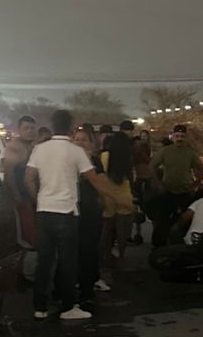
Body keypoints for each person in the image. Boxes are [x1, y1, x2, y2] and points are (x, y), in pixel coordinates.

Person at [24, 109, 105, 321]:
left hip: (44, 211)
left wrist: (37, 199)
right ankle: (68, 306)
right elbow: (95, 180)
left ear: (52, 125)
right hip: (66, 212)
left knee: (44, 261)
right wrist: (114, 198)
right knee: (68, 261)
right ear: (70, 127)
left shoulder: (40, 149)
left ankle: (39, 307)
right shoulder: (75, 151)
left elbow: (28, 178)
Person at [149, 123, 203, 250]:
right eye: (177, 136)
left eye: (182, 136)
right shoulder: (165, 151)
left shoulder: (190, 153)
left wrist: (196, 184)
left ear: (186, 138)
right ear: (172, 137)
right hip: (167, 191)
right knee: (162, 220)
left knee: (185, 220)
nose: (179, 139)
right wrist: (158, 184)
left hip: (185, 192)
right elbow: (152, 167)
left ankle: (183, 245)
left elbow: (201, 169)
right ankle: (158, 247)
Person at [73, 122, 109, 300]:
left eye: (84, 139)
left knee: (91, 245)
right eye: (77, 139)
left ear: (91, 142)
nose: (80, 142)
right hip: (73, 207)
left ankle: (93, 277)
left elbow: (102, 182)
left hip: (92, 207)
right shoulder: (69, 160)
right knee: (77, 246)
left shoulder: (95, 160)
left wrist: (104, 201)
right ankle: (78, 279)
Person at [97, 127, 137, 269]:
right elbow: (132, 177)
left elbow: (100, 175)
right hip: (124, 194)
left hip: (108, 193)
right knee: (122, 229)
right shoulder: (128, 157)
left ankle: (105, 255)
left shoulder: (105, 156)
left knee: (107, 228)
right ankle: (121, 255)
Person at [1, 115, 38, 246]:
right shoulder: (14, 147)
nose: (29, 131)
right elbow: (9, 173)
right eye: (26, 128)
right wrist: (16, 195)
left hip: (32, 192)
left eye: (32, 128)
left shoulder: (34, 146)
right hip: (21, 193)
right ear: (19, 130)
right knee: (27, 225)